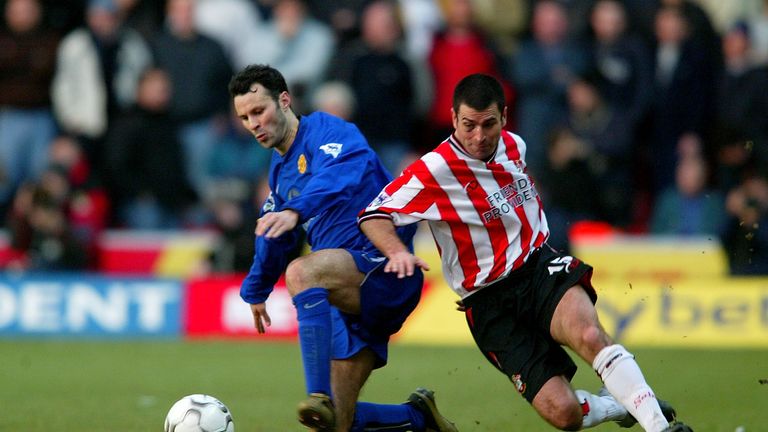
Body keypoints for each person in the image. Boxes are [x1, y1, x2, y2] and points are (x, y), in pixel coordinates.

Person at [358, 73, 693, 432]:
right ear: (454, 119)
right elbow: (373, 215)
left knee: (591, 335)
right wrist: (396, 252)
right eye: (468, 125)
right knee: (563, 413)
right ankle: (619, 403)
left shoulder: (514, 145)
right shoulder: (434, 170)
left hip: (537, 269)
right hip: (488, 304)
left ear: (503, 116)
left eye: (488, 124)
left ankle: (659, 426)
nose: (479, 136)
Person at [230, 64, 457, 432]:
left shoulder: (330, 132)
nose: (253, 123)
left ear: (284, 101)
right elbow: (274, 228)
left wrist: (296, 209)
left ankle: (315, 393)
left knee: (302, 272)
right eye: (244, 117)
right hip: (342, 290)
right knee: (337, 423)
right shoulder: (278, 170)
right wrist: (256, 288)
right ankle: (418, 418)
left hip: (383, 269)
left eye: (259, 111)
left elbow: (339, 177)